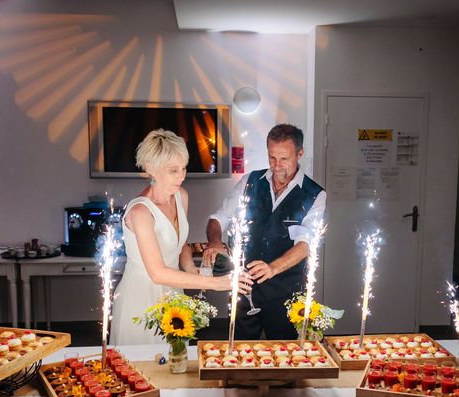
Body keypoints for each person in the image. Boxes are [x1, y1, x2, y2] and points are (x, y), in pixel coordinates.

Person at [111, 129, 251, 345]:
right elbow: (157, 273)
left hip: (173, 289)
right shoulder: (140, 212)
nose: (182, 176)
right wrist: (216, 283)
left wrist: (190, 268)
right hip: (141, 296)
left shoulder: (180, 196)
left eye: (184, 168)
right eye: (173, 170)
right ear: (151, 169)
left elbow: (180, 242)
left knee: (175, 361)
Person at [203, 124, 326, 340]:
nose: (277, 166)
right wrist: (214, 241)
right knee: (238, 352)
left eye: (284, 159)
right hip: (243, 287)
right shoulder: (249, 182)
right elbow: (219, 218)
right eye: (272, 158)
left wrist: (272, 268)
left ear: (300, 153)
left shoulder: (314, 195)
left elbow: (306, 243)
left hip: (285, 293)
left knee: (283, 356)